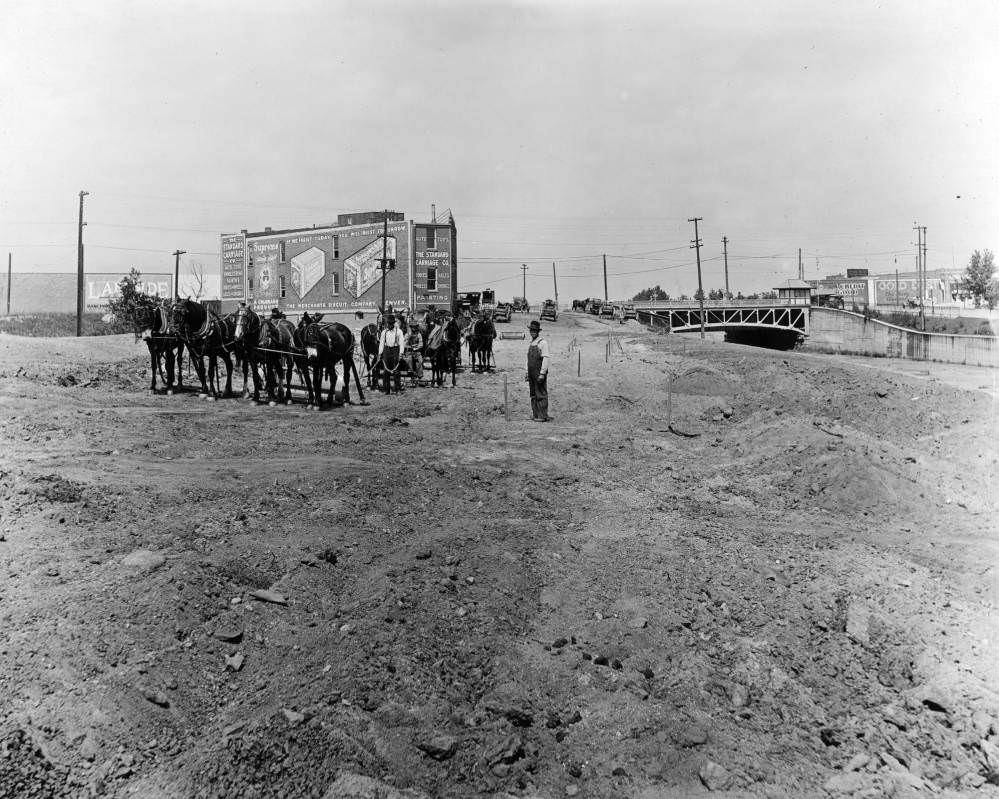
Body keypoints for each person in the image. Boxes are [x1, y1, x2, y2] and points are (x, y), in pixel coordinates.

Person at [525, 319, 551, 422]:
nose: (533, 332)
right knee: (533, 394)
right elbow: (528, 359)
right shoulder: (531, 343)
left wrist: (542, 373)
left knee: (541, 393)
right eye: (531, 330)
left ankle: (542, 415)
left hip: (539, 372)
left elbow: (546, 358)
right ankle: (535, 414)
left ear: (538, 331)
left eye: (534, 330)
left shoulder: (543, 343)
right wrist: (527, 372)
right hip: (531, 372)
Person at [378, 315, 406, 394]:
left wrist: (401, 354)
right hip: (386, 351)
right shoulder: (384, 332)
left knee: (396, 371)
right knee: (386, 371)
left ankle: (398, 389)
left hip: (395, 350)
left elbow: (402, 344)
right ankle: (386, 389)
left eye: (391, 324)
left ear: (394, 323)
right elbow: (381, 344)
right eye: (388, 324)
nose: (389, 325)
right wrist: (380, 354)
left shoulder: (399, 331)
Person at [403, 318, 424, 386]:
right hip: (409, 352)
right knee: (409, 360)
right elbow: (404, 344)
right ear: (411, 327)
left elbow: (421, 344)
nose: (414, 328)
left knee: (420, 361)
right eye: (413, 327)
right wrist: (409, 346)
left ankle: (419, 376)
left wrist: (417, 347)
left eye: (415, 327)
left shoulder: (419, 335)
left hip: (417, 352)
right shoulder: (407, 335)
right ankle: (411, 374)